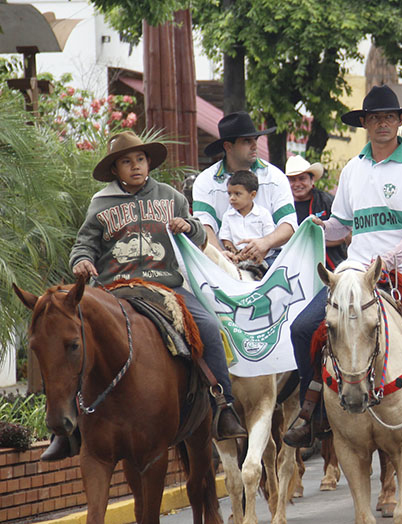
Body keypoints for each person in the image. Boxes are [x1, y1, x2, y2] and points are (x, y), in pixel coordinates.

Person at [284, 85, 402, 453]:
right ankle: (312, 410)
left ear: (400, 121)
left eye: (389, 116)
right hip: (355, 272)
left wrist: (391, 261)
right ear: (365, 124)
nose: (382, 123)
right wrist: (321, 228)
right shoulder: (353, 169)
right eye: (374, 118)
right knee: (303, 329)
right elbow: (342, 225)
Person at [50, 132, 248, 462]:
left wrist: (188, 226)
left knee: (210, 327)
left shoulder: (171, 197)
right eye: (126, 162)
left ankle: (222, 406)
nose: (135, 166)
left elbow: (199, 237)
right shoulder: (100, 203)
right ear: (115, 169)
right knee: (67, 340)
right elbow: (84, 245)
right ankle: (67, 428)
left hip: (165, 288)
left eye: (139, 160)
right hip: (114, 290)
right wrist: (82, 261)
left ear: (148, 163)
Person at [192, 111, 297, 263]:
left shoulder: (274, 177)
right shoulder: (205, 182)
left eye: (255, 139)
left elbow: (289, 224)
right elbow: (204, 225)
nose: (255, 145)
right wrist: (221, 255)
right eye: (247, 141)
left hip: (271, 260)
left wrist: (264, 243)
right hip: (222, 261)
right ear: (228, 146)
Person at [285, 154, 347, 269]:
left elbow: (343, 235)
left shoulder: (327, 201)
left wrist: (310, 244)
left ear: (312, 180)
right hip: (293, 267)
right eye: (292, 180)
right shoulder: (283, 206)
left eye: (302, 178)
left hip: (329, 266)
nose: (297, 184)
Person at [218, 170, 277, 264]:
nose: (232, 198)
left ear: (252, 195)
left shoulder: (263, 214)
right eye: (229, 194)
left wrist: (259, 254)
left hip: (264, 257)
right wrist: (235, 254)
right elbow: (226, 239)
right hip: (238, 258)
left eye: (237, 194)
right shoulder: (228, 216)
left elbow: (268, 239)